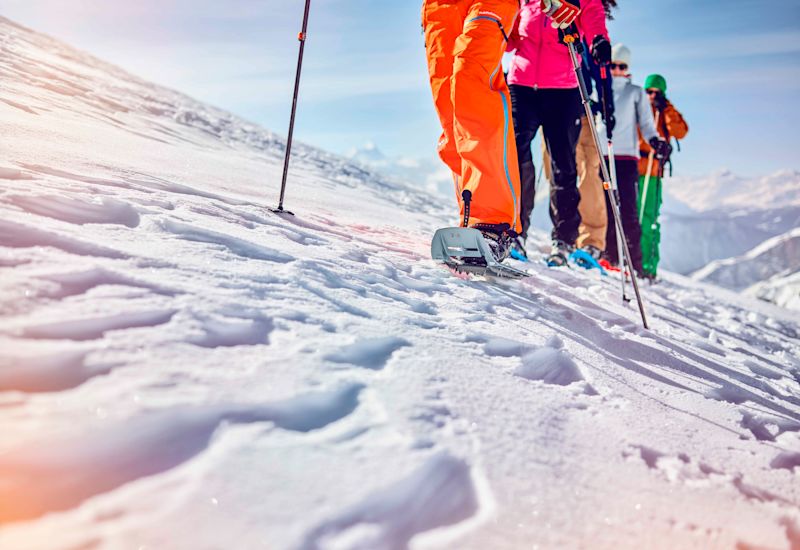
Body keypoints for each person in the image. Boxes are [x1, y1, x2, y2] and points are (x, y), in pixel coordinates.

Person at [422, 0, 580, 263]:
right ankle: (471, 219)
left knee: (472, 81)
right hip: (440, 6)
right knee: (450, 106)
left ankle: (492, 224)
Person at [506, 0, 610, 265]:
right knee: (515, 155)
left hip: (563, 88)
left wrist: (599, 40)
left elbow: (595, 22)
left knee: (563, 164)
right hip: (522, 85)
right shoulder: (526, 1)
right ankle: (515, 231)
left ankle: (563, 238)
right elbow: (508, 34)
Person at [596, 44, 670, 276]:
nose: (617, 70)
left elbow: (646, 124)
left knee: (628, 208)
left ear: (628, 68)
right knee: (606, 207)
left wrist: (656, 141)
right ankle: (609, 255)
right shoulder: (598, 88)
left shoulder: (636, 92)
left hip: (627, 157)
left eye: (622, 66)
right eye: (613, 65)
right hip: (603, 155)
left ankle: (634, 262)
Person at [575, 0, 617, 262]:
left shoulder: (590, 22)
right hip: (549, 99)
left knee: (587, 172)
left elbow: (600, 67)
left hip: (584, 104)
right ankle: (565, 234)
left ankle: (591, 240)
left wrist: (607, 102)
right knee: (559, 172)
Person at [638, 74, 689, 280]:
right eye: (648, 92)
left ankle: (648, 266)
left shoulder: (665, 112)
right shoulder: (639, 108)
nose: (651, 96)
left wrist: (665, 107)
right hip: (635, 168)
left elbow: (680, 131)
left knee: (649, 219)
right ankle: (632, 260)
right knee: (633, 217)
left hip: (653, 173)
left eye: (656, 93)